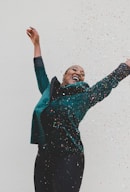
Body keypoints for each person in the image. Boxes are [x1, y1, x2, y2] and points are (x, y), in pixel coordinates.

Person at [26, 27, 130, 192]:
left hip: (69, 156)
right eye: (74, 69)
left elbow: (107, 83)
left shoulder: (84, 97)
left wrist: (126, 65)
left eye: (82, 73)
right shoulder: (50, 94)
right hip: (44, 155)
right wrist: (37, 44)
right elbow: (40, 73)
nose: (79, 73)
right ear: (65, 75)